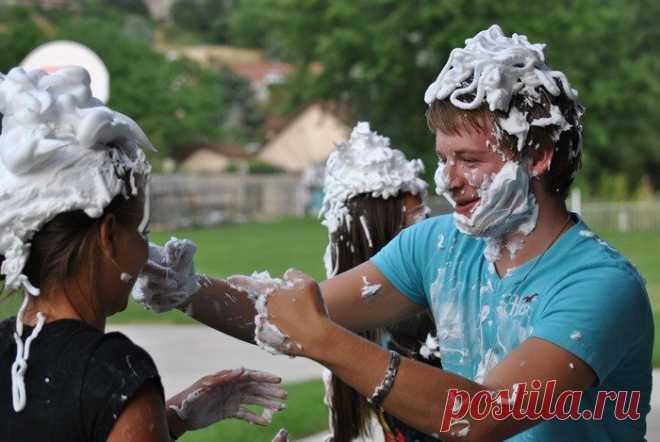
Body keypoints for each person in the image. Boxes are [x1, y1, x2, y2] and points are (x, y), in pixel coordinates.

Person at [135, 25, 653, 441]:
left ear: (538, 156)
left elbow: (482, 416)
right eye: (443, 158)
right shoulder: (441, 245)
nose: (448, 180)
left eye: (470, 160)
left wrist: (325, 342)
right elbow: (295, 311)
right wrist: (185, 288)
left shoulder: (598, 287)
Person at [0, 67, 288, 442]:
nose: (147, 253)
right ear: (108, 237)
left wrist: (170, 418)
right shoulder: (113, 372)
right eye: (142, 232)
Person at [318, 121, 442, 442]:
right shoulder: (345, 319)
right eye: (410, 231)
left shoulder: (443, 319)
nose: (427, 239)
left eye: (425, 221)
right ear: (368, 238)